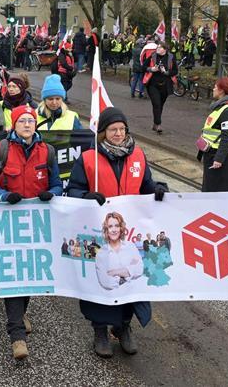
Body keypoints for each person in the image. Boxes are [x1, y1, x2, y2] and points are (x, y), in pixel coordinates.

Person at [66, 107, 168, 358]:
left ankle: (123, 327)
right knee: (101, 279)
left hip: (128, 234)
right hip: (98, 232)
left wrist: (157, 188)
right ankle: (99, 329)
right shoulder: (89, 159)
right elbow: (73, 190)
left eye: (122, 129)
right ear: (103, 133)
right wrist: (86, 196)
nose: (119, 134)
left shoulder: (138, 157)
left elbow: (146, 185)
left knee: (129, 279)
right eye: (113, 130)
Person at [0, 104, 63, 360]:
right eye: (22, 121)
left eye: (31, 120)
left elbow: (58, 184)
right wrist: (4, 195)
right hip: (7, 224)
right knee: (13, 277)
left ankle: (21, 313)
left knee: (29, 273)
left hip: (36, 226)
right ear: (13, 125)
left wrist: (52, 194)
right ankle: (17, 336)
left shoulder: (47, 152)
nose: (27, 124)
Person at [95, 212, 142, 290]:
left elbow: (139, 269)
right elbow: (106, 282)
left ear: (121, 228)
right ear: (106, 230)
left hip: (132, 296)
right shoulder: (101, 253)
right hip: (110, 299)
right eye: (110, 226)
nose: (114, 230)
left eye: (117, 226)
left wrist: (114, 272)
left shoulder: (131, 246)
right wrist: (128, 272)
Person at [141, 42, 177, 134]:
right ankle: (158, 124)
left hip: (165, 85)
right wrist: (151, 69)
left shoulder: (171, 57)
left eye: (160, 47)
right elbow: (143, 67)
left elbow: (175, 71)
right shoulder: (153, 56)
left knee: (160, 105)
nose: (157, 48)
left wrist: (166, 72)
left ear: (165, 49)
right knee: (156, 103)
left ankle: (155, 123)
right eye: (157, 47)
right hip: (153, 84)